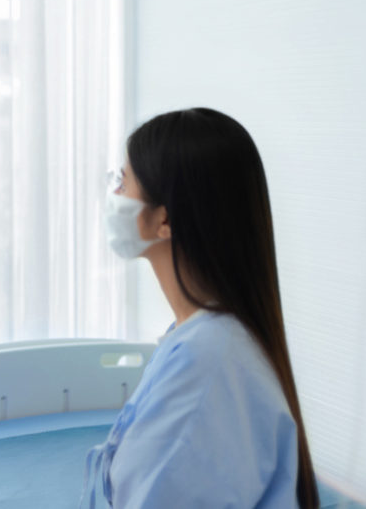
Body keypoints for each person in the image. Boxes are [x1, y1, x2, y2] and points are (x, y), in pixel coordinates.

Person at [83, 108, 319, 508]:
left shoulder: (206, 362)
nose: (114, 195)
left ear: (165, 220)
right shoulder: (204, 339)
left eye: (123, 181)